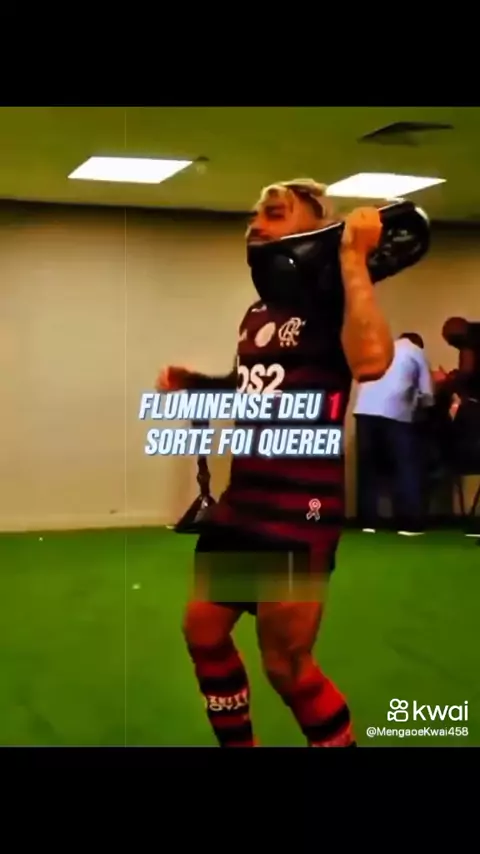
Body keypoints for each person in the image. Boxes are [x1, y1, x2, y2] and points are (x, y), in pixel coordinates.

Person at [156, 178, 393, 747]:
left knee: (286, 667)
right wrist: (201, 386)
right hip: (244, 505)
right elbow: (260, 391)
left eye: (275, 213)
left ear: (315, 231)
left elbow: (371, 363)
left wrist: (353, 260)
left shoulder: (334, 301)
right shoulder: (256, 313)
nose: (256, 225)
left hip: (297, 514)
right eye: (254, 216)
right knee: (204, 632)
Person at [354, 332, 434, 535]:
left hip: (364, 410)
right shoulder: (416, 351)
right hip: (395, 413)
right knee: (405, 466)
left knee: (368, 467)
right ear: (418, 343)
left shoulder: (380, 348)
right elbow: (428, 394)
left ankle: (367, 522)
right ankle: (409, 523)